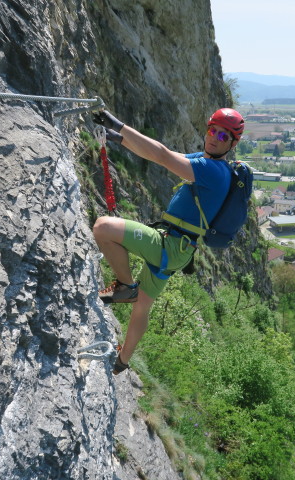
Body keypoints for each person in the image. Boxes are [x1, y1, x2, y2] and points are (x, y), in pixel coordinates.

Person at [92, 108, 244, 374]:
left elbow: (161, 155)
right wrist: (119, 139)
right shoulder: (210, 163)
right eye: (212, 130)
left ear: (233, 143)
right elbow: (159, 155)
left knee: (103, 227)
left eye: (223, 135)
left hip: (170, 245)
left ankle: (126, 286)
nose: (215, 138)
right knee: (142, 308)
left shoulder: (212, 170)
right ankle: (123, 361)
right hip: (179, 250)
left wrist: (120, 126)